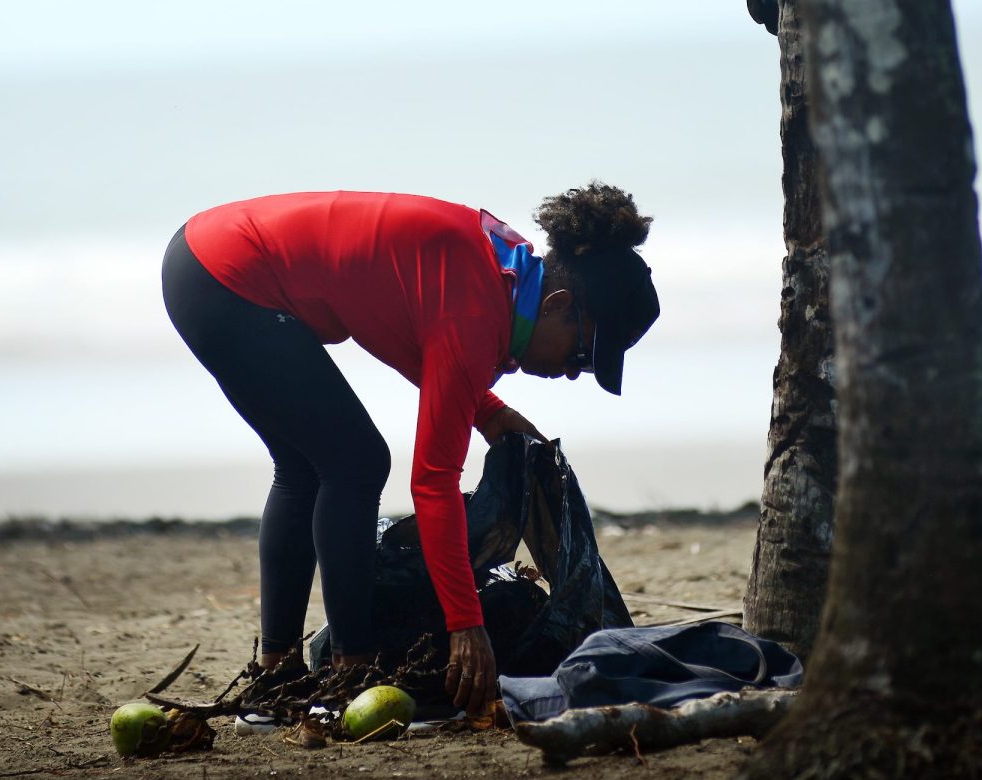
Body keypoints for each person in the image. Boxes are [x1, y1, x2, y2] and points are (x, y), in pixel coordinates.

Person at [161, 182, 659, 717]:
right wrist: (465, 625)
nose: (571, 374)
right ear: (558, 304)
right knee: (355, 463)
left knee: (311, 467)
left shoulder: (504, 272)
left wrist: (487, 411)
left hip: (207, 256)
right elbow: (433, 481)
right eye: (583, 355)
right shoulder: (479, 309)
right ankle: (352, 674)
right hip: (228, 273)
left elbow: (409, 333)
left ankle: (277, 675)